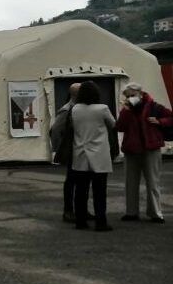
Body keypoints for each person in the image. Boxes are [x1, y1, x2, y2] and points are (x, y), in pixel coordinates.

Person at [115, 83, 169, 224]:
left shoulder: (154, 107)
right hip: (132, 149)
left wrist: (160, 121)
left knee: (153, 182)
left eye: (132, 95)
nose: (129, 98)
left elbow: (171, 118)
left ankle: (156, 213)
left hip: (151, 148)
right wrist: (125, 111)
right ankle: (131, 212)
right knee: (130, 182)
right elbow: (119, 126)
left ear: (140, 93)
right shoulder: (126, 109)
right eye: (127, 96)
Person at [69, 81, 116, 231]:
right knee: (99, 191)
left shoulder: (75, 109)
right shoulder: (102, 109)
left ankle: (80, 221)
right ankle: (101, 222)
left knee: (81, 191)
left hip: (80, 153)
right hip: (99, 154)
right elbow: (114, 125)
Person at [50, 83, 88, 223]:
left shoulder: (82, 108)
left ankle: (82, 209)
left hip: (82, 149)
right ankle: (68, 210)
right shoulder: (67, 109)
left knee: (83, 181)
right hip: (73, 150)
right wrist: (59, 149)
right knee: (71, 181)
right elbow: (55, 130)